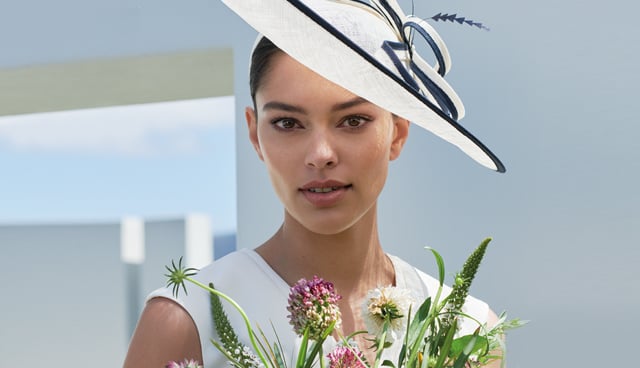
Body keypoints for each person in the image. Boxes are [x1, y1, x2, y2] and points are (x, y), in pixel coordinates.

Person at [124, 1, 506, 367]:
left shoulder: (466, 330)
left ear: (398, 132)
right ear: (255, 134)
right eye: (288, 123)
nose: (320, 154)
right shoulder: (187, 320)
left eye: (353, 121)